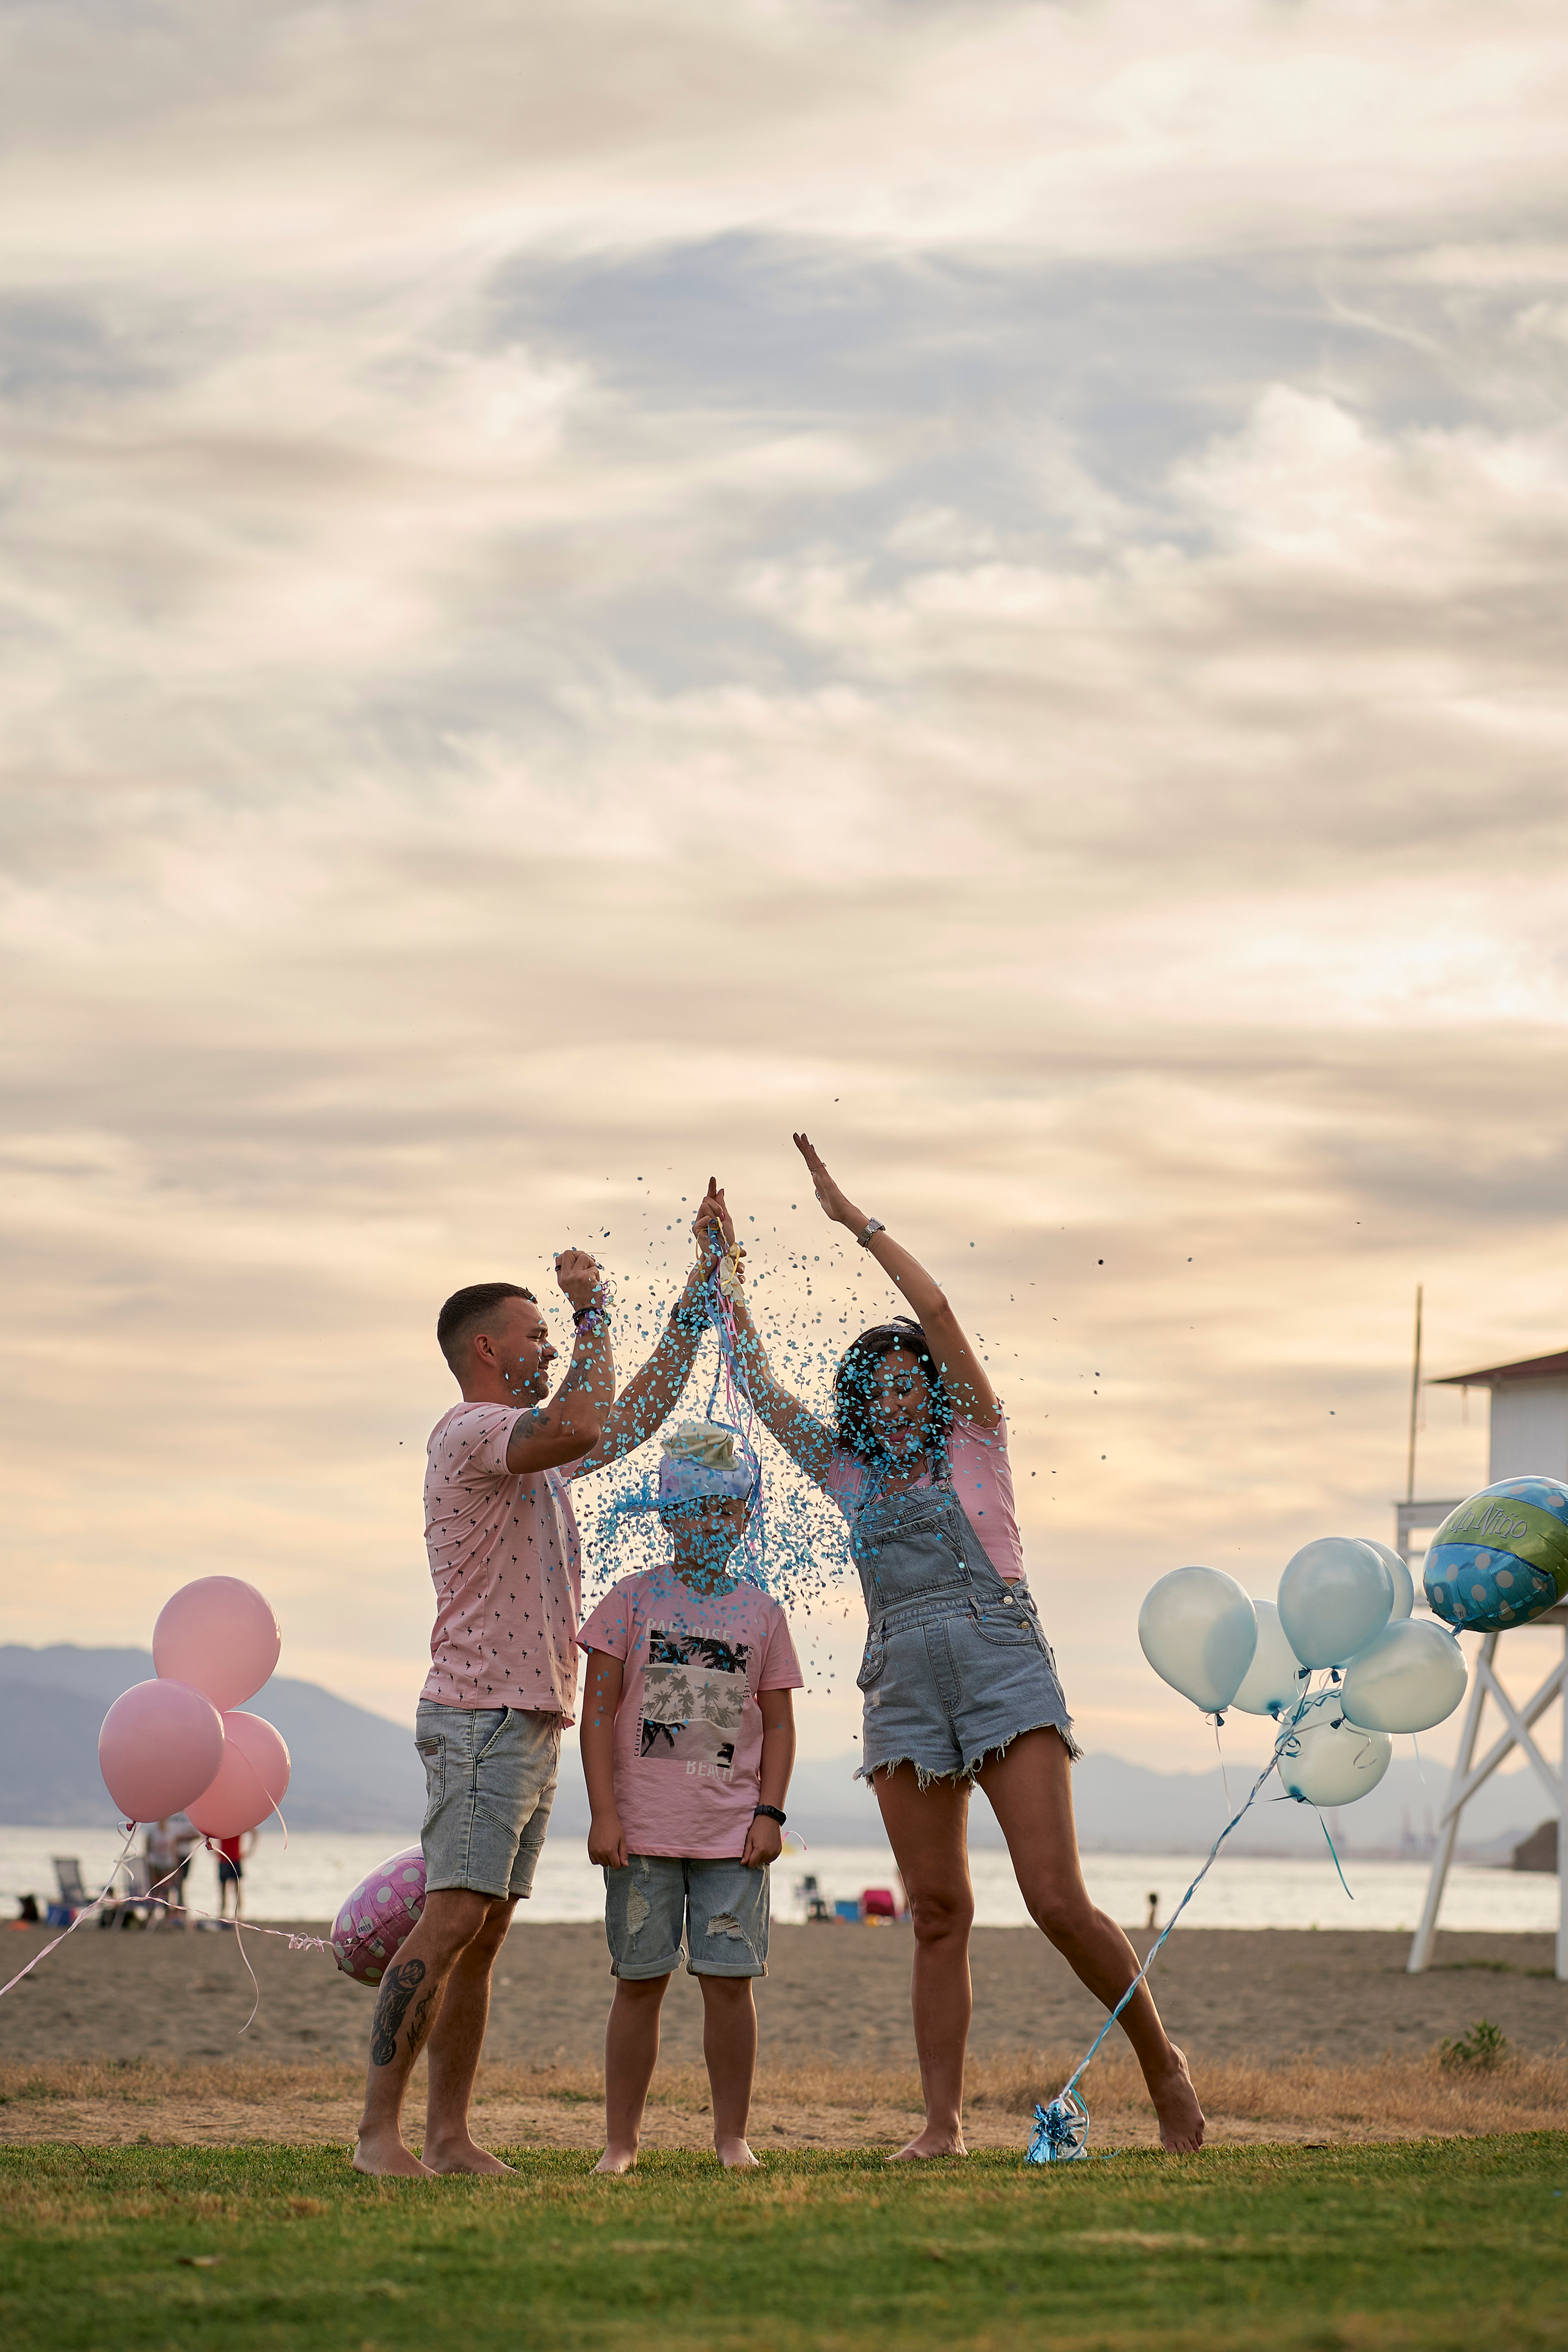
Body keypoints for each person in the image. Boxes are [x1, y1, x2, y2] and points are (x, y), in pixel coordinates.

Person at [728, 1134, 1205, 2158]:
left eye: (913, 1381)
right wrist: (723, 1279)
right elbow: (764, 1393)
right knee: (937, 1912)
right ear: (862, 1405)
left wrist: (853, 1222)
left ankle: (1165, 2071)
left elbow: (938, 1316)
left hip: (1001, 1667)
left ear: (934, 1391)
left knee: (1055, 1900)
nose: (900, 1395)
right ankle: (940, 2126)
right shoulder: (850, 1476)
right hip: (901, 1684)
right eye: (881, 1386)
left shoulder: (975, 1438)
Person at [353, 1185, 736, 2179]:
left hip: (527, 1721)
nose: (551, 1348)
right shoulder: (472, 1433)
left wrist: (701, 1286)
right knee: (451, 1920)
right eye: (536, 1333)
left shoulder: (537, 1458)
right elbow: (589, 1413)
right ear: (490, 1349)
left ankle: (446, 2138)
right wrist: (592, 1308)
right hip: (479, 1716)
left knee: (481, 1937)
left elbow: (634, 1410)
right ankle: (377, 2137)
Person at [578, 1420, 801, 2173]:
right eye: (694, 1509)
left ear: (742, 1517)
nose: (709, 1523)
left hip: (731, 1838)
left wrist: (769, 1815)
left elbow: (778, 1724)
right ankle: (621, 2142)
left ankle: (731, 2137)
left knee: (729, 1986)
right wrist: (605, 1812)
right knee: (638, 1983)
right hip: (640, 1833)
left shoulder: (762, 1613)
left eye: (723, 1510)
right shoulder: (629, 1601)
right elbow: (599, 1714)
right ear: (669, 1515)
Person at [216, 1831, 255, 1921]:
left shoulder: (237, 1826)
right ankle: (223, 1913)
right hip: (224, 1859)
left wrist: (250, 1851)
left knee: (237, 1889)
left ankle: (239, 1914)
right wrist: (213, 1849)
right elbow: (207, 1833)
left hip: (235, 1859)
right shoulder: (222, 1826)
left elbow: (254, 1833)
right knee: (223, 1889)